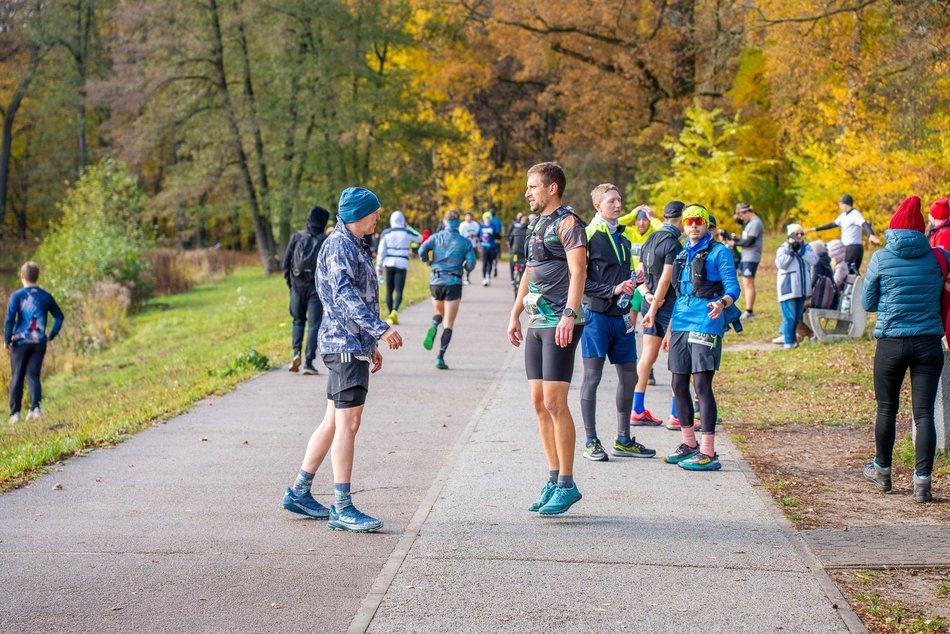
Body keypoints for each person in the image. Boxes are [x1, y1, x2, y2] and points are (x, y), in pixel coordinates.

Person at [280, 187, 403, 532]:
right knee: (349, 424)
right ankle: (343, 507)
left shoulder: (353, 244)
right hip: (344, 345)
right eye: (374, 212)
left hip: (350, 344)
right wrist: (380, 329)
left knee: (333, 422)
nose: (378, 217)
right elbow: (344, 295)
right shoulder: (339, 246)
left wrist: (370, 343)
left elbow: (355, 297)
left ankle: (300, 492)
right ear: (358, 215)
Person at [507, 162, 587, 515]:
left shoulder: (569, 224)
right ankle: (553, 478)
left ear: (552, 188)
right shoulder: (536, 224)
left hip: (560, 320)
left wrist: (569, 314)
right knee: (539, 402)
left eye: (533, 186)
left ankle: (567, 484)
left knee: (555, 402)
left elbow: (578, 271)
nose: (527, 192)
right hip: (538, 319)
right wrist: (515, 314)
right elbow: (529, 271)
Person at [861, 196, 945, 503]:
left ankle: (883, 471)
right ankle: (922, 483)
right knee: (924, 414)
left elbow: (868, 303)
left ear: (893, 228)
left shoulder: (881, 258)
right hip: (928, 342)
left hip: (891, 343)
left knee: (886, 408)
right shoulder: (940, 257)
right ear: (922, 229)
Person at [660, 204, 740, 471]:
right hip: (681, 322)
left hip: (707, 321)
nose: (693, 225)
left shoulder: (719, 252)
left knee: (702, 385)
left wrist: (722, 303)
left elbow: (733, 287)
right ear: (683, 225)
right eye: (689, 221)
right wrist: (669, 331)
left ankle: (708, 451)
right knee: (678, 383)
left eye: (698, 221)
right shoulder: (682, 253)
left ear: (706, 224)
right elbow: (678, 295)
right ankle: (689, 444)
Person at [580, 184, 656, 462]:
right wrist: (612, 289)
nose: (618, 204)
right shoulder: (587, 235)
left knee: (629, 376)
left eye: (619, 199)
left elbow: (622, 279)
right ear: (597, 206)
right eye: (611, 201)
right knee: (592, 377)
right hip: (596, 316)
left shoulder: (623, 239)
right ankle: (591, 441)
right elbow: (578, 280)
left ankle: (623, 439)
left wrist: (636, 281)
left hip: (621, 317)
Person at [630, 201, 685, 427]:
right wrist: (654, 309)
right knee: (677, 361)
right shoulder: (674, 244)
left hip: (649, 302)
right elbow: (666, 280)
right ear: (680, 220)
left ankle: (636, 409)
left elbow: (638, 274)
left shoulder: (651, 238)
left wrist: (646, 295)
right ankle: (676, 414)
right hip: (668, 308)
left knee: (647, 357)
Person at [4, 261, 64, 424]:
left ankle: (15, 414)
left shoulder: (17, 296)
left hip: (20, 342)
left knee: (17, 376)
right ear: (37, 276)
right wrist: (51, 334)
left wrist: (7, 339)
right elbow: (59, 317)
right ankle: (35, 409)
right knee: (33, 375)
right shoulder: (45, 295)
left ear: (22, 276)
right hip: (39, 341)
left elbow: (10, 319)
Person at [419, 209, 477, 370]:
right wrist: (465, 268)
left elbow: (422, 250)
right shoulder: (465, 242)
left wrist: (428, 261)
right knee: (449, 323)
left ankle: (433, 325)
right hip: (453, 282)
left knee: (439, 312)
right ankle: (440, 357)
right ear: (458, 223)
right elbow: (471, 263)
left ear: (445, 222)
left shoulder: (435, 237)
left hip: (436, 281)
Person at [281, 205, 329, 375]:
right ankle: (308, 362)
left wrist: (291, 284)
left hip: (297, 286)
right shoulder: (325, 240)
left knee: (298, 321)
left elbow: (285, 263)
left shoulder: (297, 237)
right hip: (315, 288)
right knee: (314, 325)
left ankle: (296, 353)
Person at [806, 194, 881, 272]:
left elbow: (864, 224)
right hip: (847, 247)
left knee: (847, 270)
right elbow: (832, 225)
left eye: (840, 204)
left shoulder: (855, 214)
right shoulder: (843, 216)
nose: (839, 206)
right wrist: (815, 229)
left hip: (853, 247)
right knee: (851, 271)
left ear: (846, 204)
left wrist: (871, 234)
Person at [774, 224, 818, 349]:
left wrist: (802, 251)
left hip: (802, 289)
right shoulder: (783, 249)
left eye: (801, 234)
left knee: (797, 317)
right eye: (796, 234)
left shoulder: (807, 248)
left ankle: (793, 341)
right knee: (789, 317)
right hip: (788, 288)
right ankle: (788, 342)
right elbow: (781, 264)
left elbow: (814, 260)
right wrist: (791, 251)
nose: (799, 236)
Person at [375, 210, 422, 325]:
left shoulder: (386, 233)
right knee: (399, 290)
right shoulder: (407, 232)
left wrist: (378, 266)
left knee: (389, 291)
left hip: (389, 263)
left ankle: (390, 314)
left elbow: (381, 251)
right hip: (402, 263)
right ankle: (394, 312)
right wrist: (408, 227)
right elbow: (420, 238)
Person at [726, 203, 763, 321]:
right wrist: (735, 239)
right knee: (746, 283)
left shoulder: (756, 223)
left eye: (741, 215)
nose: (741, 218)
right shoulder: (750, 223)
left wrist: (734, 243)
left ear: (746, 212)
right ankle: (748, 311)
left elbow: (749, 241)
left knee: (748, 283)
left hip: (751, 256)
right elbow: (744, 239)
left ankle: (749, 312)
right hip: (746, 256)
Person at [507, 213, 529, 287]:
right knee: (524, 266)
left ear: (520, 221)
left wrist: (511, 248)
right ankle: (522, 280)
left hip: (515, 253)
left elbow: (511, 241)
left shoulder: (515, 230)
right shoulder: (529, 231)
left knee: (512, 263)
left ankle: (512, 279)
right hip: (524, 254)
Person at [458, 212, 480, 284]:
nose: (468, 218)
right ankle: (461, 278)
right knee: (462, 262)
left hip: (472, 246)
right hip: (464, 246)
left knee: (470, 262)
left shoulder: (475, 224)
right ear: (465, 217)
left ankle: (467, 278)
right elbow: (460, 236)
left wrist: (478, 244)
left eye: (470, 216)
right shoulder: (462, 225)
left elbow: (478, 235)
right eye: (467, 216)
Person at [479, 212, 499, 286]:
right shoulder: (481, 227)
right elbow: (479, 236)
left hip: (491, 247)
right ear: (484, 219)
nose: (487, 220)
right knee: (484, 263)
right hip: (484, 247)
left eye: (488, 218)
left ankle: (488, 276)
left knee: (490, 263)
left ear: (490, 219)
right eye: (486, 218)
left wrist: (493, 235)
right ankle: (484, 278)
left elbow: (497, 236)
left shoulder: (493, 226)